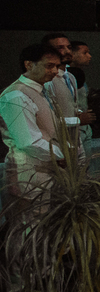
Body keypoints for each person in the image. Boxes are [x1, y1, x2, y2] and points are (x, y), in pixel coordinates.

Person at [0, 44, 65, 204]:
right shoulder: (16, 95)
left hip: (43, 171)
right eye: (49, 66)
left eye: (57, 66)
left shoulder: (41, 90)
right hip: (27, 174)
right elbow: (28, 141)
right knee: (30, 225)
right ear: (28, 64)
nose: (55, 71)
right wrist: (62, 156)